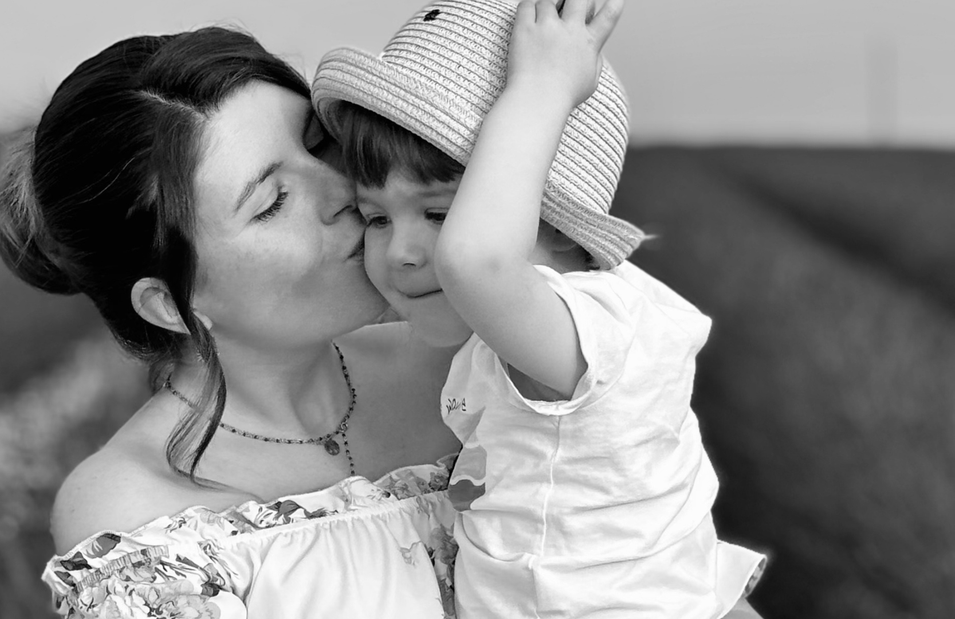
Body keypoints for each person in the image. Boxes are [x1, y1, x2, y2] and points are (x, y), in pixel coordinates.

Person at [0, 13, 763, 619]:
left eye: (323, 145)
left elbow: (664, 562)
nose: (341, 191)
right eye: (273, 201)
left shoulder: (477, 354)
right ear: (172, 301)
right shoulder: (133, 513)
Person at [311, 0, 766, 616]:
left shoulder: (577, 327)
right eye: (375, 218)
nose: (402, 253)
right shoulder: (567, 331)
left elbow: (475, 263)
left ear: (552, 222)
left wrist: (544, 85)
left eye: (442, 213)